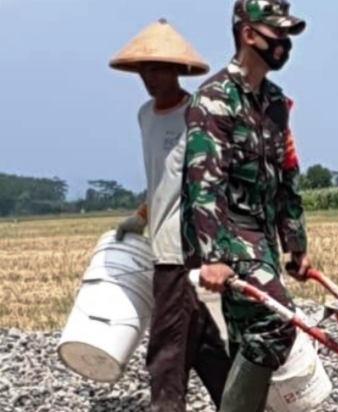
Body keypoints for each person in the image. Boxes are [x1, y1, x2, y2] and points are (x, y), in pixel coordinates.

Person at [179, 0, 311, 410]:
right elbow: (204, 184)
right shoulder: (213, 100)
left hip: (262, 236)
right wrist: (214, 258)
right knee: (276, 322)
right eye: (277, 33)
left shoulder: (275, 102)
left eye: (287, 35)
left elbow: (286, 177)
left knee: (246, 337)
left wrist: (296, 243)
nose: (284, 43)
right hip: (228, 232)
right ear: (248, 34)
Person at [108, 18, 232, 412]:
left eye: (158, 69)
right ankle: (240, 404)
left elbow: (211, 183)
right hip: (161, 246)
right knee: (202, 343)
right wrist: (142, 216)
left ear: (178, 70)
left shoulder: (197, 116)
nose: (150, 78)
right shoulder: (145, 115)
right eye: (144, 70)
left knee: (166, 350)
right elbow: (161, 180)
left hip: (183, 251)